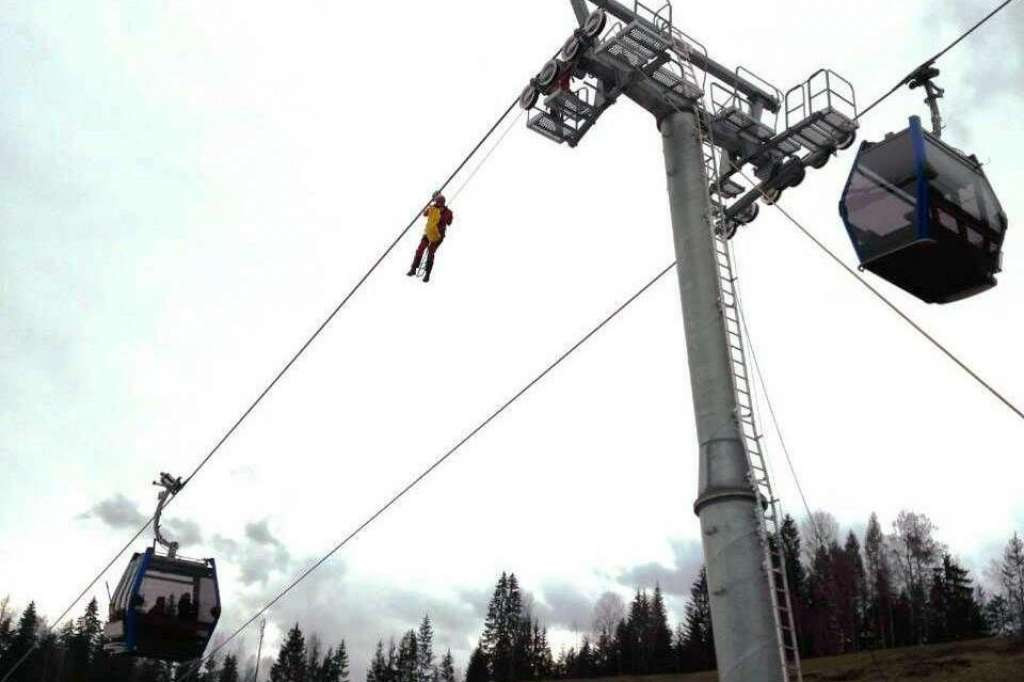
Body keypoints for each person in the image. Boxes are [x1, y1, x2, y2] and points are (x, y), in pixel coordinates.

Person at [406, 193, 454, 283]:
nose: (438, 204)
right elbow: (424, 214)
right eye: (437, 202)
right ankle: (413, 269)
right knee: (420, 249)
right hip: (428, 233)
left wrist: (446, 216)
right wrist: (429, 207)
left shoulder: (448, 212)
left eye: (440, 203)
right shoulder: (432, 208)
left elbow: (449, 222)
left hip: (438, 236)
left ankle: (427, 274)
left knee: (431, 252)